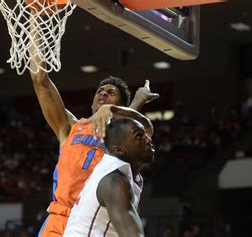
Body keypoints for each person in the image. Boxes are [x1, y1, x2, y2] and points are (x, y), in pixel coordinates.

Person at [28, 18, 159, 237]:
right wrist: (36, 19)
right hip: (59, 219)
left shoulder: (124, 137)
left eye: (111, 92)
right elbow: (39, 79)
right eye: (100, 90)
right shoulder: (71, 126)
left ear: (120, 105)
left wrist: (132, 104)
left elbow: (145, 129)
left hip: (95, 220)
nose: (103, 93)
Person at [64, 118, 155, 236]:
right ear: (119, 149)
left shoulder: (117, 172)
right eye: (139, 136)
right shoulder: (114, 181)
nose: (148, 139)